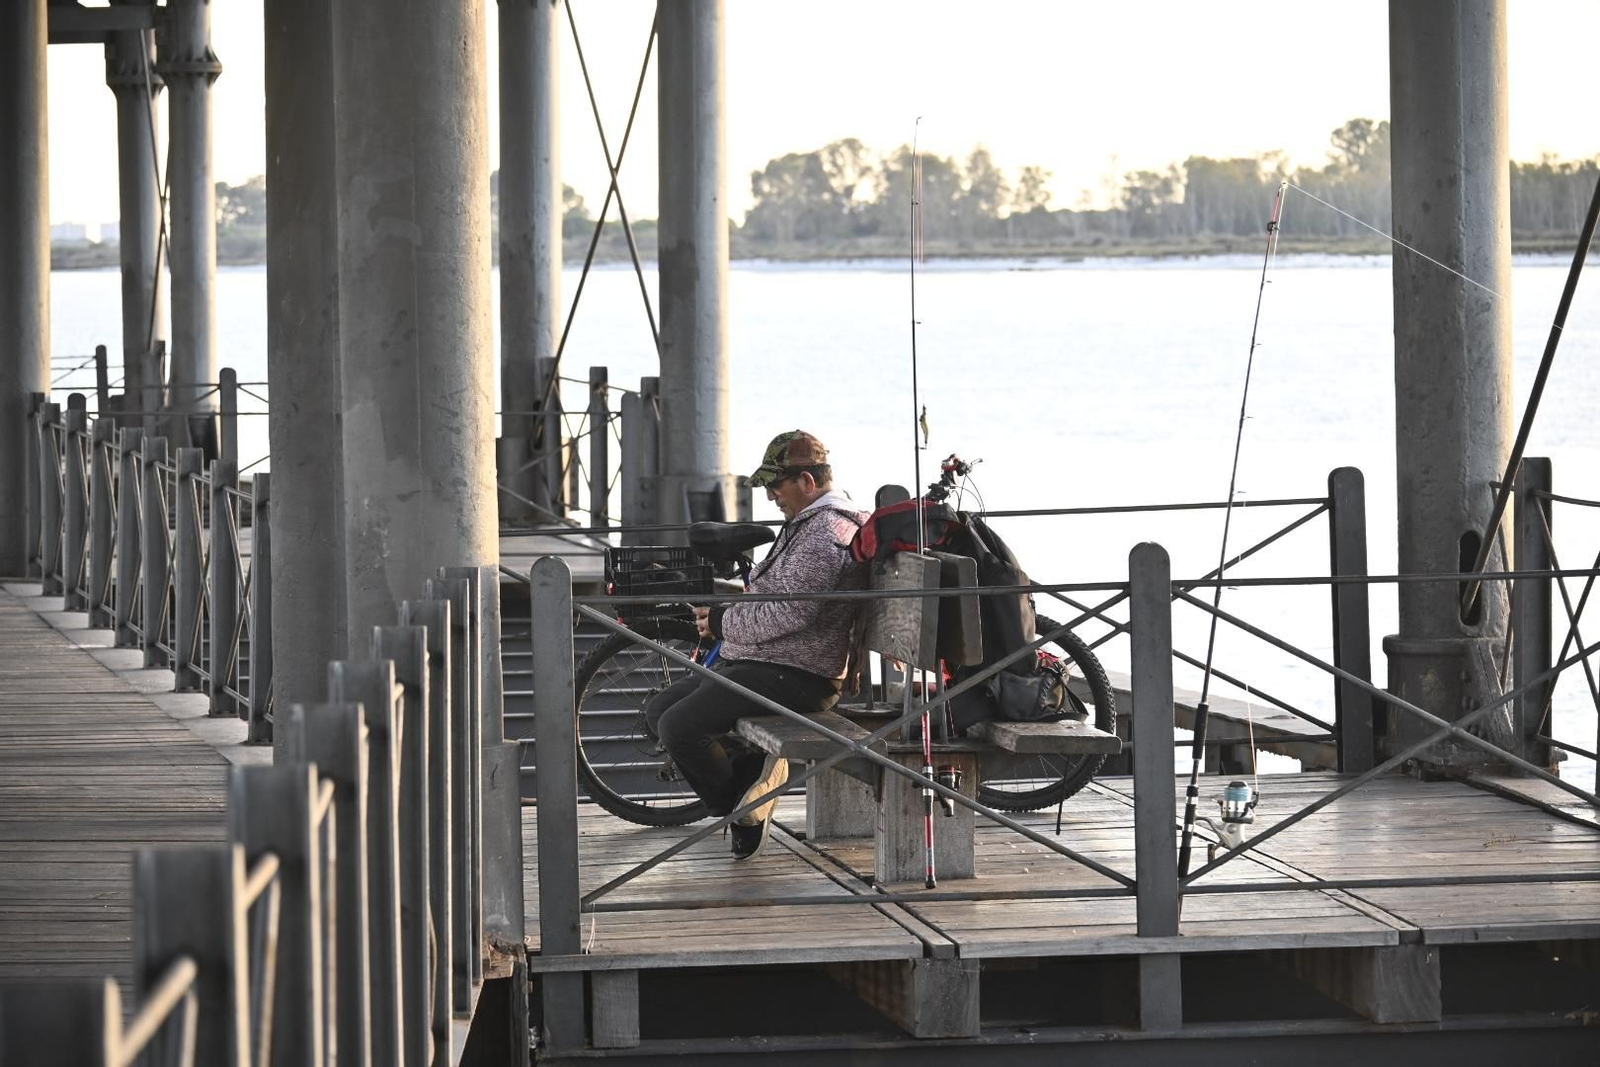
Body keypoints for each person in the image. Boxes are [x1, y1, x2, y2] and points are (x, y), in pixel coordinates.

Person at [644, 431, 869, 859]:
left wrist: (725, 622)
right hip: (767, 661)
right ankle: (750, 791)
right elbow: (776, 601)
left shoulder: (825, 533)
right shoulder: (809, 523)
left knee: (679, 727)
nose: (770, 497)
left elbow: (791, 614)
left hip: (800, 674)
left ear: (806, 481)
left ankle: (739, 812)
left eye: (775, 486)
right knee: (658, 712)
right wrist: (728, 616)